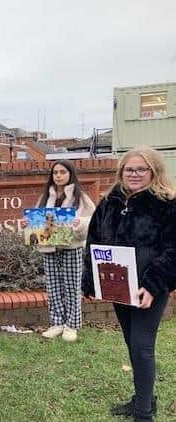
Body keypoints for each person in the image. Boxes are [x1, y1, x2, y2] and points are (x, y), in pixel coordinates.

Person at [82, 146, 176, 422]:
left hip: (148, 289)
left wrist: (153, 285)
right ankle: (144, 399)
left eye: (141, 169)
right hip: (119, 285)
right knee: (131, 344)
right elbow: (93, 241)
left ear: (153, 171)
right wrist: (92, 280)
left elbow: (173, 251)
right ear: (121, 171)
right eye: (129, 169)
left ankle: (144, 414)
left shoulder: (166, 204)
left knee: (141, 346)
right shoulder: (110, 201)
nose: (134, 174)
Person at [20, 160, 95, 341]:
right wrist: (26, 224)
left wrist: (80, 224)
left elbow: (92, 219)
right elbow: (37, 222)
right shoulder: (46, 197)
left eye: (63, 172)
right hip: (49, 248)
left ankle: (72, 325)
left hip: (71, 247)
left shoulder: (81, 197)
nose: (59, 175)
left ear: (70, 174)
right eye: (55, 172)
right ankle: (57, 322)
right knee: (53, 287)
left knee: (71, 287)